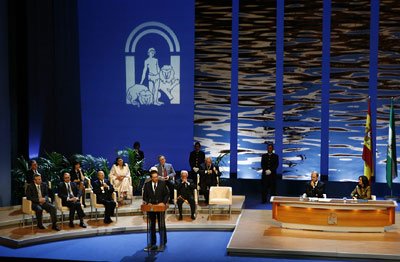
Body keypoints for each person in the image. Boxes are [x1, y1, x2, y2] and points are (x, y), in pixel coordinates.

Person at [143, 169, 169, 250]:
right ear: (151, 178)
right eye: (154, 177)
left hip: (160, 207)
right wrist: (148, 202)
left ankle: (163, 243)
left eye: (157, 177)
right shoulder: (147, 185)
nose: (156, 178)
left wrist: (163, 203)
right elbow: (145, 196)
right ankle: (152, 243)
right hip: (151, 208)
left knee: (161, 225)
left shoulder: (162, 183)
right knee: (152, 225)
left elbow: (167, 194)